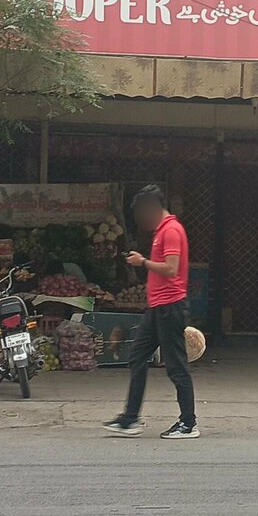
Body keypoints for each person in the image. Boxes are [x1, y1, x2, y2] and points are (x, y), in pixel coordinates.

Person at [103, 185, 199, 440]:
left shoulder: (171, 230)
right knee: (137, 357)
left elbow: (171, 268)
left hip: (170, 308)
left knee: (176, 366)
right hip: (157, 308)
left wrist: (143, 262)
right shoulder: (161, 231)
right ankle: (130, 418)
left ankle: (188, 423)